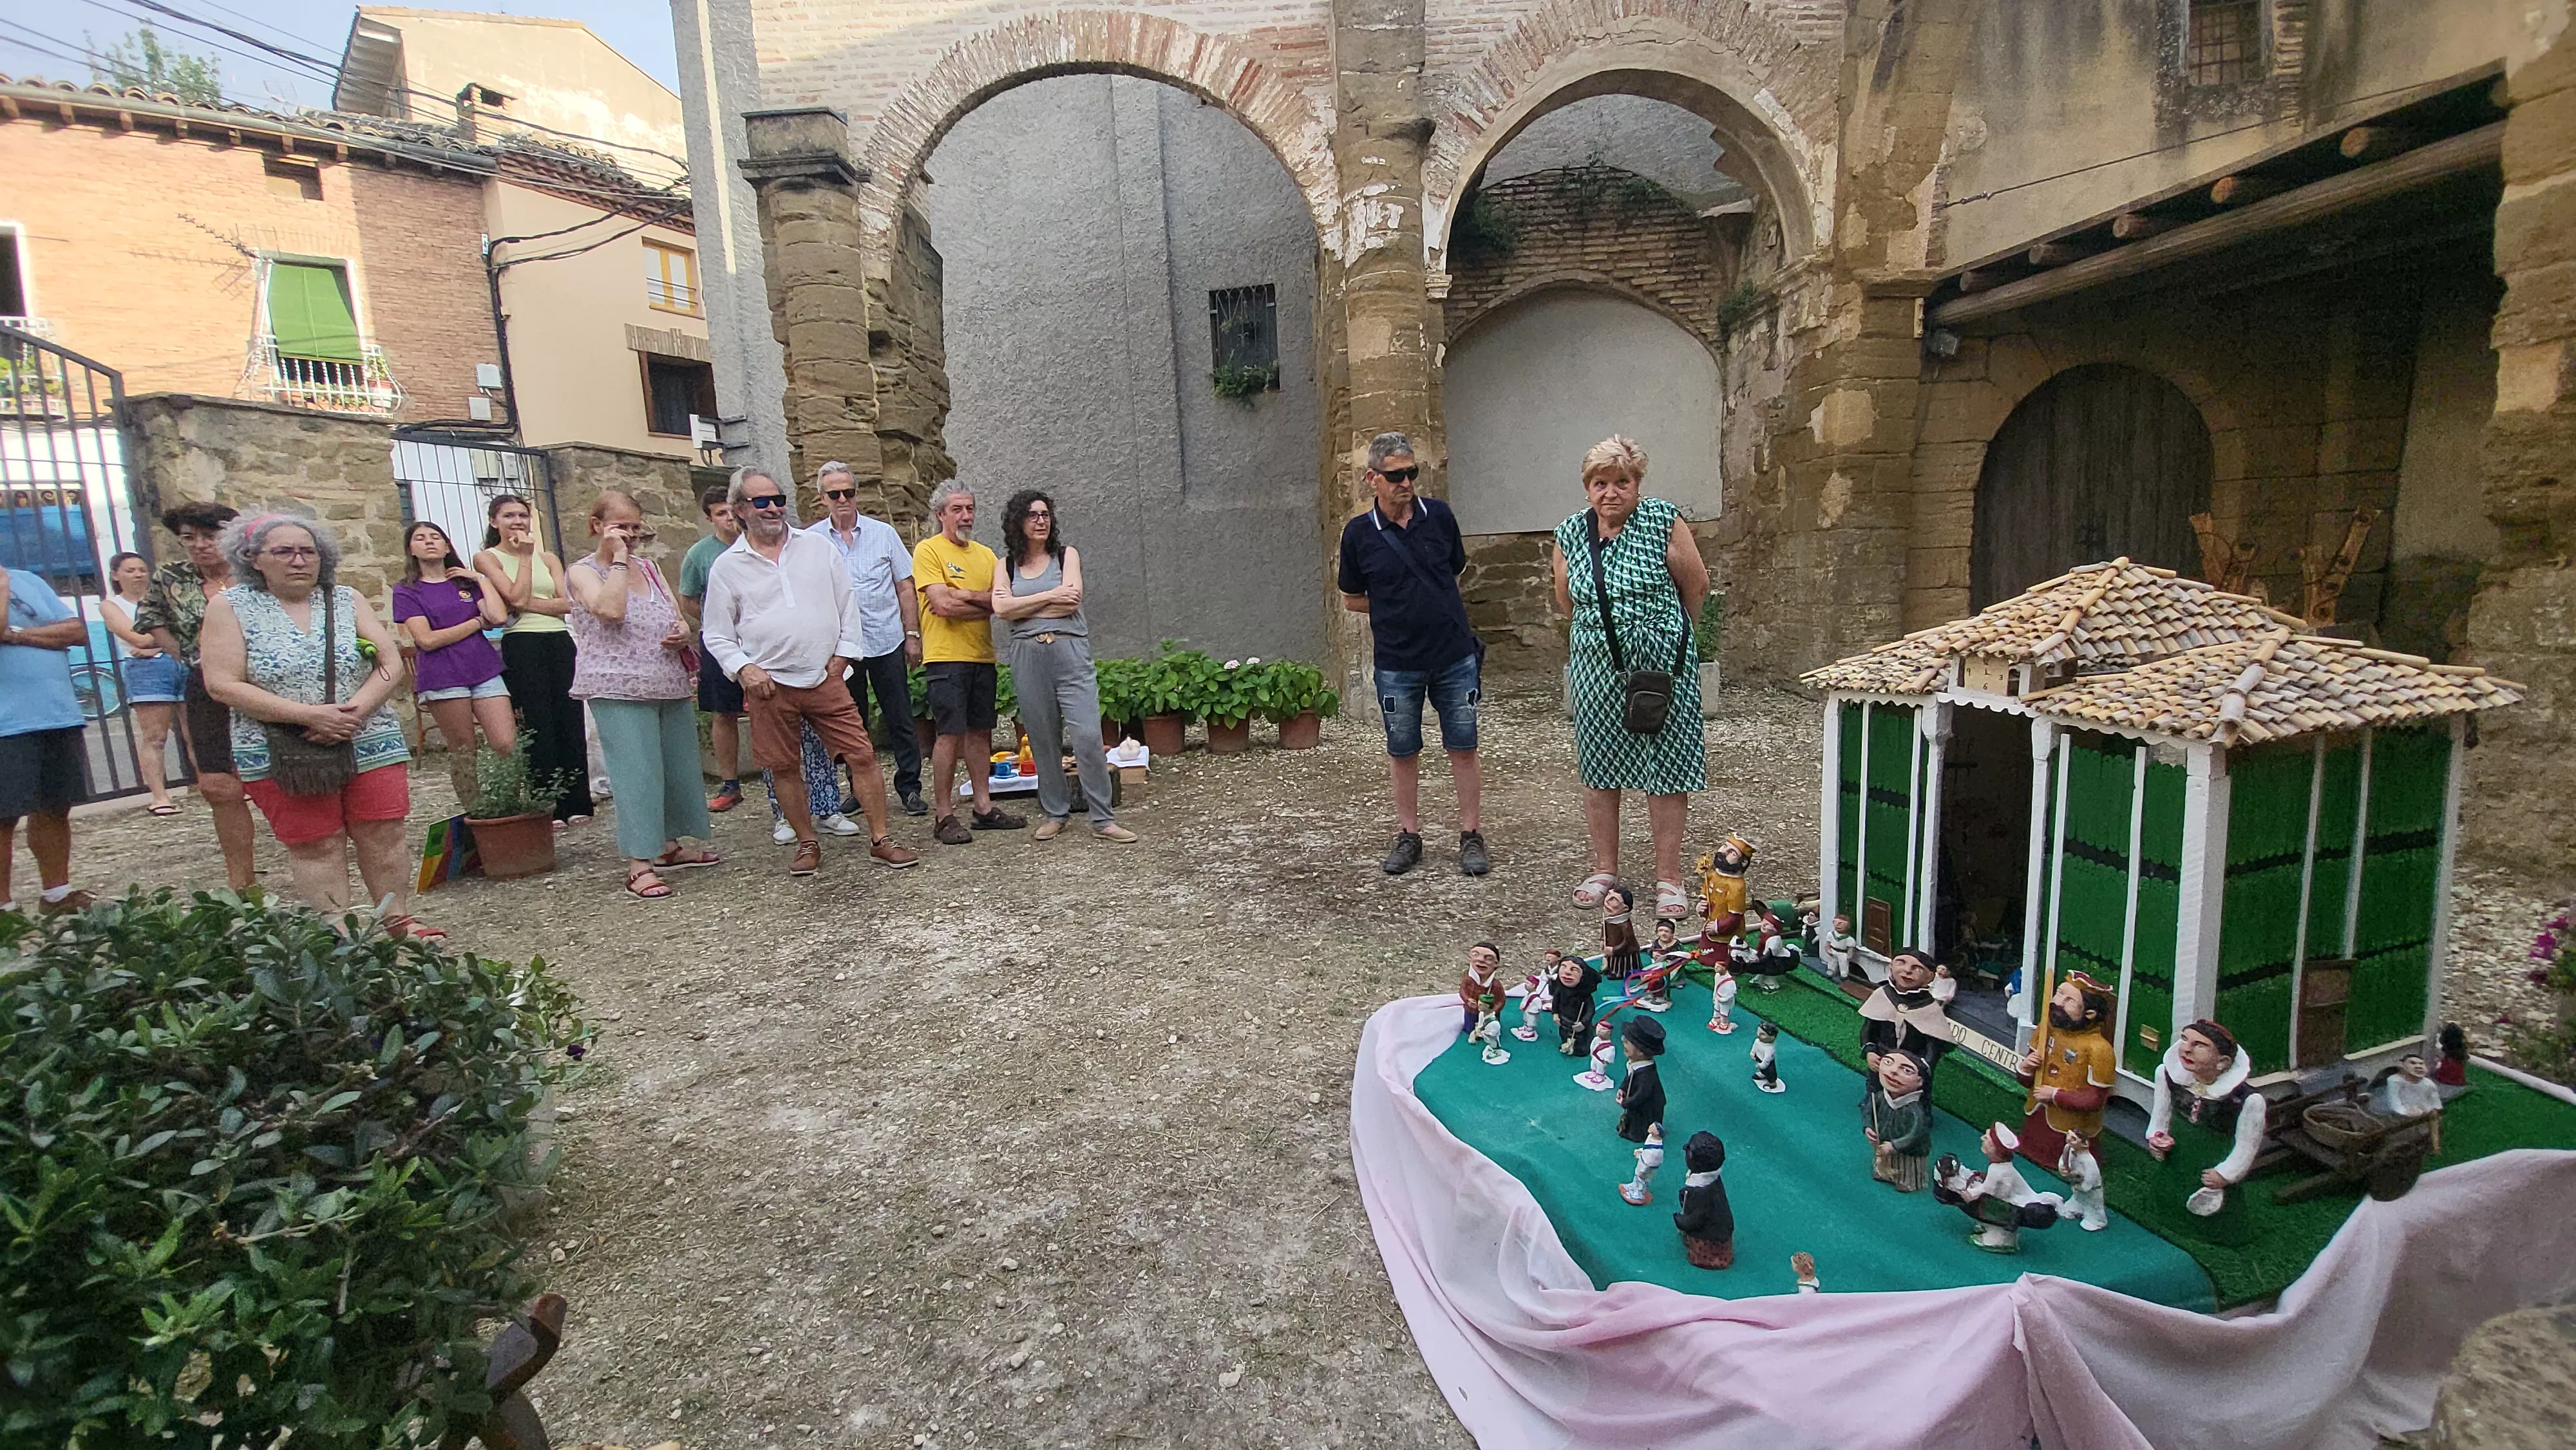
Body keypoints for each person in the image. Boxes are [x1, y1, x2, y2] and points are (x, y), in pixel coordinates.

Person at [199, 514, 436, 937]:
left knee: (383, 831)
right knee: (316, 842)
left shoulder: (347, 599)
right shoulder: (229, 606)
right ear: (253, 558)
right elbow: (221, 683)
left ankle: (398, 919)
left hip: (367, 737)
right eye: (284, 552)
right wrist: (308, 715)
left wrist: (354, 713)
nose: (298, 560)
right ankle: (338, 931)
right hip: (283, 745)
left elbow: (388, 662)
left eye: (308, 551)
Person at [702, 468, 918, 877]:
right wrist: (744, 669)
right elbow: (716, 633)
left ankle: (881, 839)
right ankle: (806, 843)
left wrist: (844, 657)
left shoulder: (817, 548)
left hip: (825, 678)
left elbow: (847, 605)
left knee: (863, 755)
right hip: (769, 685)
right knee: (783, 766)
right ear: (739, 510)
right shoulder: (727, 567)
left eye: (778, 499)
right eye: (761, 502)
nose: (773, 508)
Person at [1551, 435, 1710, 921]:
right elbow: (1566, 599)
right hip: (1597, 668)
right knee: (1600, 768)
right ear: (1588, 489)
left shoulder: (1662, 519)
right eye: (1601, 483)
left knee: (1665, 770)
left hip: (1662, 667)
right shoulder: (1571, 533)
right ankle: (1605, 869)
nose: (1611, 492)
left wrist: (1666, 636)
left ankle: (1669, 878)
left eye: (1622, 482)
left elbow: (1697, 585)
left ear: (1637, 483)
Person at [1336, 431, 1487, 878]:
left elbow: (1455, 571)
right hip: (1397, 662)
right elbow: (1350, 598)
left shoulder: (1439, 517)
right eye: (1396, 475)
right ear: (1373, 479)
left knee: (1464, 745)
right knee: (1402, 749)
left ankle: (1471, 835)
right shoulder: (1359, 535)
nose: (1406, 483)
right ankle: (1408, 834)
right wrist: (1395, 606)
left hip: (1453, 655)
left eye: (1412, 473)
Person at [564, 491, 719, 900]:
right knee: (636, 772)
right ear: (597, 526)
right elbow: (610, 611)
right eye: (621, 527)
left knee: (674, 767)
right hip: (617, 686)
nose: (631, 536)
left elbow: (674, 613)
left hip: (665, 681)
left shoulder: (649, 569)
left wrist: (682, 633)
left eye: (636, 528)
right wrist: (616, 560)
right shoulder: (582, 572)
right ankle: (639, 864)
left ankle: (668, 847)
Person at [994, 489, 1135, 843]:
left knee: (1087, 735)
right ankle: (1055, 812)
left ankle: (1103, 819)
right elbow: (1001, 610)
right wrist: (1048, 597)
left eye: (1045, 514)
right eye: (1032, 515)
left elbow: (1071, 599)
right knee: (1042, 737)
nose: (1041, 521)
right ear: (1018, 522)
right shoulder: (1006, 565)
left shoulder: (1065, 555)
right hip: (1028, 658)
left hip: (1070, 652)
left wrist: (1023, 606)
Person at [134, 500, 256, 887]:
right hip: (205, 685)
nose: (200, 545)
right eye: (189, 538)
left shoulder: (255, 573)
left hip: (263, 683)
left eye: (209, 535)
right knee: (218, 784)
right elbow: (150, 618)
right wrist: (187, 655)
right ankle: (242, 880)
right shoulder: (173, 577)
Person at [806, 462, 928, 817]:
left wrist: (912, 635)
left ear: (857, 494)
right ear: (822, 499)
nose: (843, 499)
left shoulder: (883, 533)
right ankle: (860, 790)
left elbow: (905, 586)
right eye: (835, 494)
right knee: (850, 719)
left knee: (900, 716)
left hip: (886, 637)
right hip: (842, 646)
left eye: (849, 492)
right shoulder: (811, 540)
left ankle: (910, 788)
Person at [911, 481, 1024, 844]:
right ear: (940, 514)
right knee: (948, 736)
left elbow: (1002, 604)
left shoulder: (986, 555)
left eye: (970, 508)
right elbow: (942, 607)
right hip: (945, 658)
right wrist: (981, 603)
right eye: (957, 509)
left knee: (980, 733)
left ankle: (983, 807)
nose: (965, 516)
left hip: (981, 656)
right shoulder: (928, 551)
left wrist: (967, 595)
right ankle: (944, 815)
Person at [473, 493, 592, 826]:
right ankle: (548, 803)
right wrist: (524, 559)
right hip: (522, 642)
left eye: (523, 515)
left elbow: (568, 603)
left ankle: (577, 801)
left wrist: (527, 602)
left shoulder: (550, 558)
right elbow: (513, 596)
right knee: (538, 722)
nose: (518, 522)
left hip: (558, 639)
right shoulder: (487, 558)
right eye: (509, 516)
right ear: (495, 522)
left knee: (570, 718)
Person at [390, 522, 514, 809]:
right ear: (411, 549)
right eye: (420, 538)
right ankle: (476, 810)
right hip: (443, 676)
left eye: (436, 537)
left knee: (506, 744)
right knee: (463, 749)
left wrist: (481, 579)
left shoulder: (466, 584)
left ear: (447, 546)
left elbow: (497, 617)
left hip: (483, 670)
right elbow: (427, 640)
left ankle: (510, 807)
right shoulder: (408, 590)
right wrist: (474, 623)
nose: (429, 542)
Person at [0, 565, 96, 912]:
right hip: (5, 722)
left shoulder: (29, 580)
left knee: (55, 807)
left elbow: (75, 631)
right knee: (3, 817)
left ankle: (57, 894)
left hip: (55, 713)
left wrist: (15, 634)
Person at [2145, 1019, 2268, 1244]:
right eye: (2184, 1039)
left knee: (2211, 1203)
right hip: (2179, 1153)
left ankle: (2217, 1231)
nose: (2186, 1048)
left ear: (2222, 1062)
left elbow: (2246, 1146)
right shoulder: (2168, 1076)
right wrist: (2157, 1137)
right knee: (2171, 1189)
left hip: (2213, 1159)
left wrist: (2226, 1173)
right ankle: (2168, 1215)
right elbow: (2160, 1113)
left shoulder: (2247, 1101)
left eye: (2200, 1045)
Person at [677, 484, 749, 813]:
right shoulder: (700, 555)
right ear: (710, 519)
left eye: (731, 511)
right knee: (724, 711)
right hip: (720, 643)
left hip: (758, 640)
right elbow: (689, 599)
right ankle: (730, 782)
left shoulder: (759, 545)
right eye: (721, 513)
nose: (729, 519)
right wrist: (717, 622)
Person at [99, 551, 184, 815]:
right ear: (116, 576)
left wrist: (153, 644)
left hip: (181, 663)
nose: (138, 574)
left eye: (141, 569)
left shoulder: (165, 598)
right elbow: (137, 639)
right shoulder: (111, 605)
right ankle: (160, 797)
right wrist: (160, 642)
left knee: (196, 732)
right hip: (147, 670)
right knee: (155, 736)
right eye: (130, 570)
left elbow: (188, 630)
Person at [2016, 970, 2117, 1168]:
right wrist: (2026, 1067)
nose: (2058, 1002)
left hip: (2069, 1127)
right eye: (2059, 993)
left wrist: (2055, 1095)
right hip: (2036, 1118)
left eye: (2069, 1000)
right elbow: (2026, 1080)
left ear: (2089, 1014)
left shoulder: (2099, 1050)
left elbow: (2094, 1099)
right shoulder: (2046, 1029)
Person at [1672, 1131, 1734, 1269]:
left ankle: (1708, 1259)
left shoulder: (1702, 1192)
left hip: (1712, 1236)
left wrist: (1683, 1222)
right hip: (1711, 1227)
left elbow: (1699, 1216)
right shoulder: (1710, 1182)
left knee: (1703, 1247)